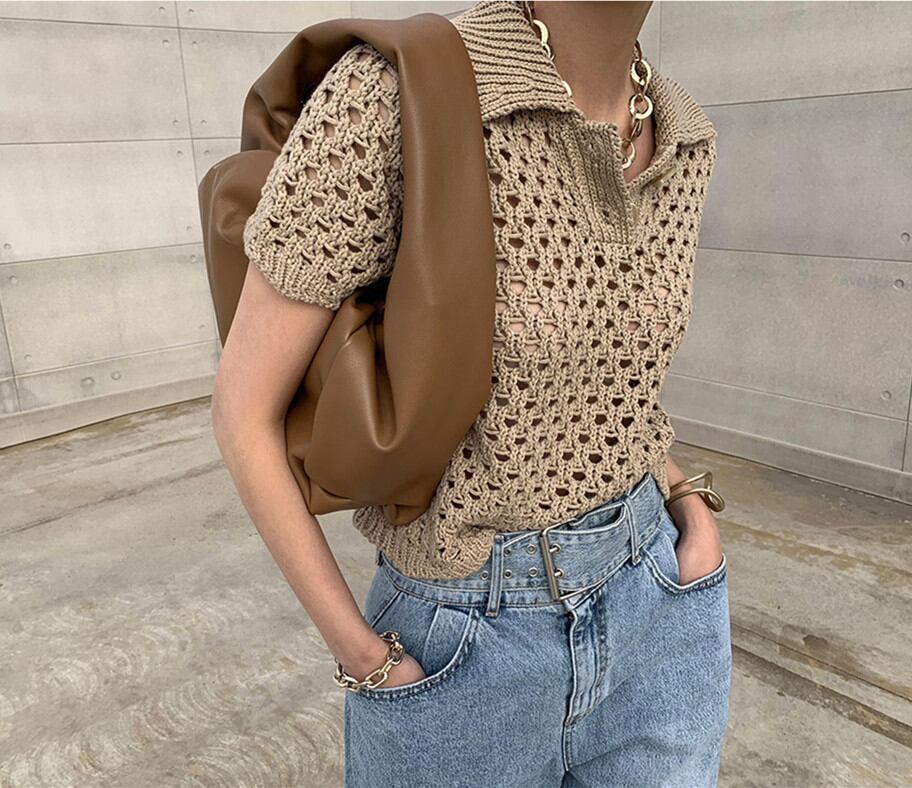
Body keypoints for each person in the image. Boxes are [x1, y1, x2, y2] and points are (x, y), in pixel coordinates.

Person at [210, 1, 731, 785]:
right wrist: (363, 654)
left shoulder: (682, 135)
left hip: (661, 611)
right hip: (463, 644)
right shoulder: (396, 92)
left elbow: (617, 382)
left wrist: (687, 504)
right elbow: (243, 413)